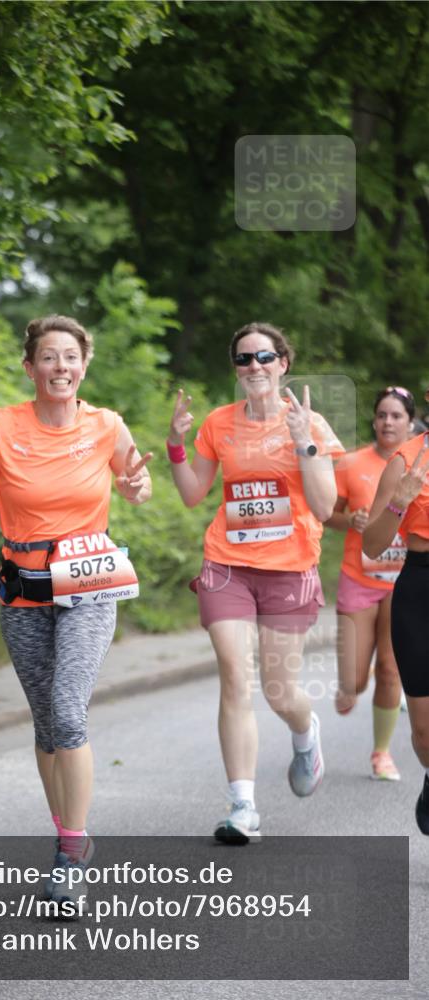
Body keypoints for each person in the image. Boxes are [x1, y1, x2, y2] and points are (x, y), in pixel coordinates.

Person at [0, 314, 152, 895]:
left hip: (89, 582)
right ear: (30, 366)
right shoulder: (1, 425)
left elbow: (137, 487)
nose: (60, 367)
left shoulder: (106, 425)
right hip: (23, 586)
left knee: (68, 711)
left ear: (84, 364)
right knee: (46, 725)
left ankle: (72, 853)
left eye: (70, 356)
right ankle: (66, 830)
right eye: (48, 357)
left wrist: (137, 488)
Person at [168, 322, 343, 844]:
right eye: (244, 360)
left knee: (279, 690)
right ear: (236, 369)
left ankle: (304, 731)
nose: (254, 368)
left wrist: (303, 443)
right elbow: (194, 494)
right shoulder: (220, 424)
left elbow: (326, 507)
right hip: (227, 564)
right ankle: (242, 806)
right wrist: (176, 446)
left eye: (265, 358)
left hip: (289, 569)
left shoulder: (310, 423)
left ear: (283, 364)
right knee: (234, 676)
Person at [325, 387, 416, 780]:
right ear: (374, 420)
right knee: (354, 679)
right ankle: (349, 685)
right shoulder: (350, 463)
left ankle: (381, 754)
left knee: (392, 670)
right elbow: (328, 513)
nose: (388, 422)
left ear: (410, 422)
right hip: (359, 577)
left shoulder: (419, 464)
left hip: (403, 582)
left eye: (397, 416)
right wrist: (352, 521)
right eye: (382, 415)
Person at [363, 390, 429, 835]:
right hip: (420, 588)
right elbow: (371, 543)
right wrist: (399, 502)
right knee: (424, 734)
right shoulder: (406, 460)